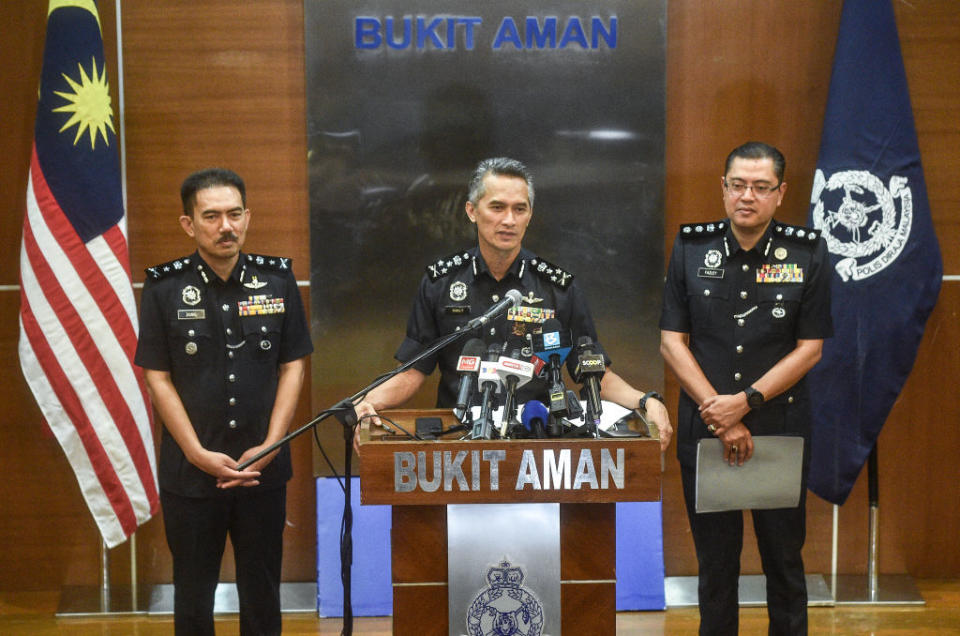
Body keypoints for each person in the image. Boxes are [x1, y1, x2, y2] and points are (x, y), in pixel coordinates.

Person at [354, 156, 672, 447]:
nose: (509, 219)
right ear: (471, 211)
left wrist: (646, 400)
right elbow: (412, 372)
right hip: (458, 439)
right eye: (497, 207)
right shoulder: (441, 283)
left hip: (539, 436)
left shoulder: (558, 288)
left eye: (519, 209)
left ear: (529, 215)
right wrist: (369, 402)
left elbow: (593, 373)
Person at [659, 141, 833, 635]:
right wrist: (719, 413)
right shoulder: (691, 248)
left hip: (777, 428)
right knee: (715, 569)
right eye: (737, 185)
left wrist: (745, 403)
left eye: (760, 187)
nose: (747, 196)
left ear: (780, 193)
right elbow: (673, 342)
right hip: (707, 430)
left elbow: (810, 348)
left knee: (784, 565)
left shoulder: (806, 251)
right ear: (724, 188)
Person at [135, 168, 313, 636]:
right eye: (211, 216)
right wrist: (196, 453)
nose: (225, 226)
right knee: (192, 595)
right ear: (188, 224)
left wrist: (274, 443)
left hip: (263, 467)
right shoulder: (163, 288)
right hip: (192, 472)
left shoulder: (277, 281)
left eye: (234, 214)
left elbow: (292, 365)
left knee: (262, 592)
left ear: (248, 217)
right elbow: (158, 377)